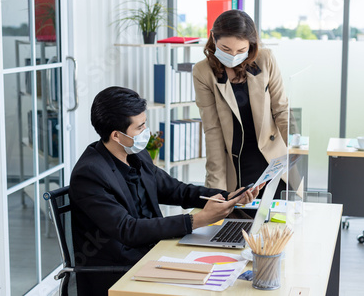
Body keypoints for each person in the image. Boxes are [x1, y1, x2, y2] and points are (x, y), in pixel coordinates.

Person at [69, 86, 259, 296]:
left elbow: (176, 190)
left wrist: (227, 197)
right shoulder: (90, 174)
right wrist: (197, 220)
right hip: (119, 270)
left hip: (153, 252)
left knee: (232, 270)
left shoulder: (136, 155)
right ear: (116, 135)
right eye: (140, 127)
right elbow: (127, 229)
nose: (146, 131)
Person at [193, 10, 289, 198]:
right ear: (214, 38)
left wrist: (296, 148)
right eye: (226, 49)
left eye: (241, 50)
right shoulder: (203, 71)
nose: (233, 55)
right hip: (236, 163)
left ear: (251, 45)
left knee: (278, 222)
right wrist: (215, 191)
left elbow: (281, 110)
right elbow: (212, 130)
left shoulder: (265, 59)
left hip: (272, 160)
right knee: (242, 223)